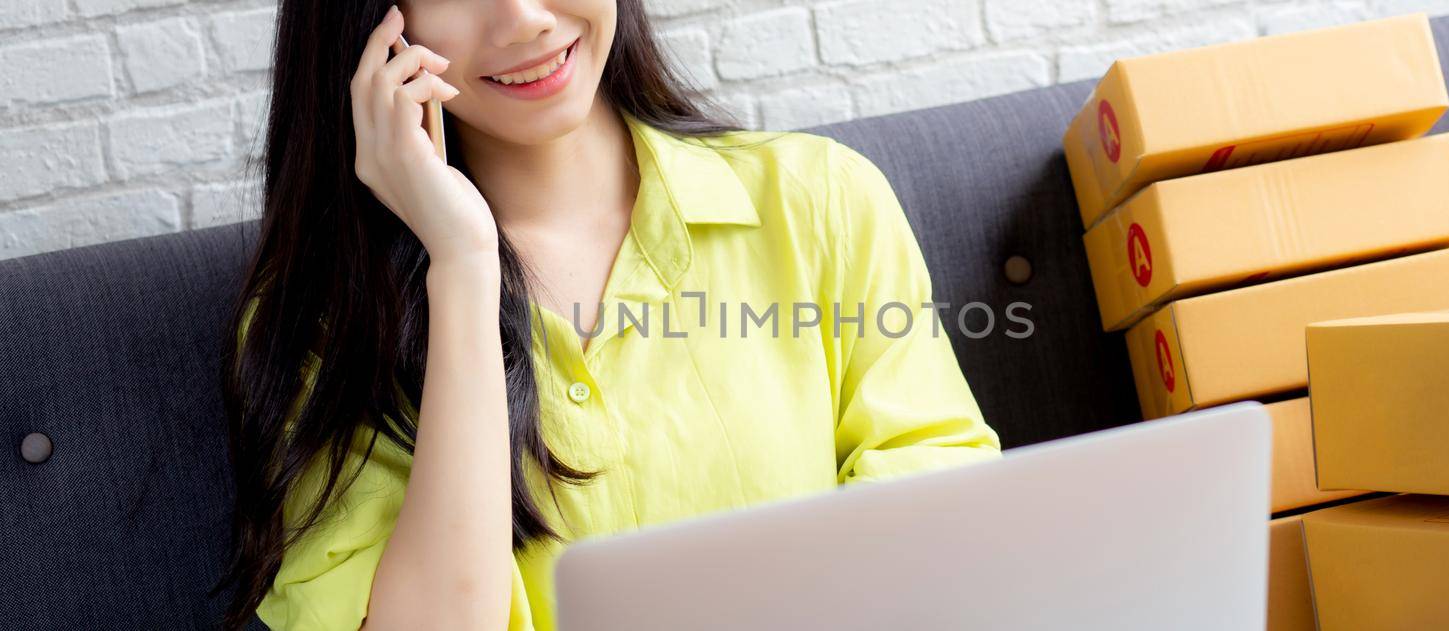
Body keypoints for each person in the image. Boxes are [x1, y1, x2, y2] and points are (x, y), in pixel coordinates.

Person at [217, 1, 1003, 629]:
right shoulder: (322, 324)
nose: (523, 18)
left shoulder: (820, 200)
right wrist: (460, 266)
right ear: (373, 29)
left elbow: (946, 522)